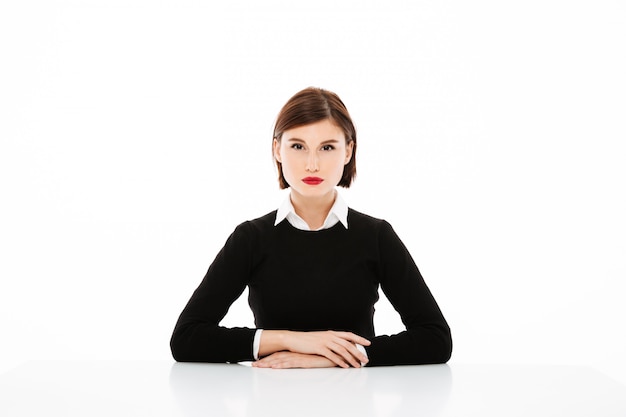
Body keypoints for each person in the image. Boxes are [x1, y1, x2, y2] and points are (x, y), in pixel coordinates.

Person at [170, 87, 452, 368]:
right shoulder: (251, 238)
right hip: (271, 400)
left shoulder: (376, 237)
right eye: (298, 146)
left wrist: (326, 357)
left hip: (355, 401)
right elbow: (186, 338)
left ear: (348, 151)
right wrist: (291, 341)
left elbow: (435, 338)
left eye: (327, 147)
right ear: (277, 149)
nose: (312, 164)